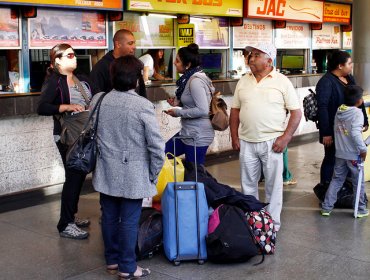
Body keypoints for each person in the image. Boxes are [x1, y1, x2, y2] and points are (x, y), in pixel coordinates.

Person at [91, 55, 165, 279]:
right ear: (135, 79)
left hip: (105, 169)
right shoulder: (142, 105)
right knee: (130, 220)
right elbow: (156, 147)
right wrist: (152, 174)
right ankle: (128, 266)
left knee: (110, 216)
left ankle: (112, 260)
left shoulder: (99, 100)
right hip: (133, 172)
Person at [229, 43, 302, 231]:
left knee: (273, 187)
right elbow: (235, 111)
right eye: (250, 55)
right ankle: (252, 222)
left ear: (269, 60)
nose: (250, 58)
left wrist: (285, 138)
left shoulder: (282, 81)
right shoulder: (243, 80)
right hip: (246, 141)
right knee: (247, 185)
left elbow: (296, 113)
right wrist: (234, 136)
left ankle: (272, 225)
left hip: (272, 143)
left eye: (256, 55)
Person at [37, 43, 97, 239]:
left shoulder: (80, 79)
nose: (74, 58)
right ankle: (66, 224)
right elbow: (42, 107)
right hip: (66, 135)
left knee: (78, 175)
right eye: (69, 55)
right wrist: (65, 106)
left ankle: (71, 216)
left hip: (82, 134)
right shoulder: (55, 81)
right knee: (73, 176)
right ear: (58, 61)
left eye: (75, 55)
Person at [316, 50, 368, 185]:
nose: (351, 66)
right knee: (331, 159)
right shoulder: (326, 82)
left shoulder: (350, 78)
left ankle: (346, 190)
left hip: (350, 129)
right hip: (334, 130)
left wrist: (365, 120)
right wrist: (326, 133)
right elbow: (322, 108)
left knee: (350, 159)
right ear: (340, 66)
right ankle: (326, 189)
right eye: (349, 63)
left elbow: (358, 99)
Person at [321, 85, 369, 218]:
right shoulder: (357, 113)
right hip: (354, 154)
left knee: (336, 180)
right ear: (359, 100)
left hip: (340, 153)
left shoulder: (339, 110)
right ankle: (360, 209)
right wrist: (363, 149)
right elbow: (355, 133)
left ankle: (326, 207)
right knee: (357, 181)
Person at [164, 43, 215, 165]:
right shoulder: (188, 79)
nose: (174, 63)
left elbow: (202, 109)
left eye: (177, 61)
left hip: (198, 135)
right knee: (162, 154)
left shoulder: (195, 81)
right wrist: (177, 103)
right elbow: (193, 103)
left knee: (195, 176)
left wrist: (178, 112)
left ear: (188, 65)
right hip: (188, 133)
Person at [90, 29, 136, 93]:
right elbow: (96, 94)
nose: (134, 47)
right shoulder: (101, 67)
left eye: (134, 43)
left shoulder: (135, 65)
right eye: (130, 43)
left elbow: (141, 92)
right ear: (118, 44)